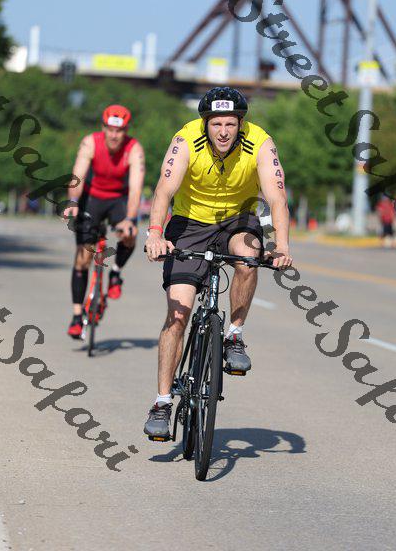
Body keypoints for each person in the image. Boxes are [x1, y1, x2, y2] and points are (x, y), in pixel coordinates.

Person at [144, 86, 292, 439]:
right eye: (216, 124)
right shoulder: (185, 140)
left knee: (249, 257)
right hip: (190, 223)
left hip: (237, 220)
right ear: (205, 124)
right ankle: (162, 403)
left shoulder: (260, 142)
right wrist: (155, 233)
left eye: (230, 124)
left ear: (240, 124)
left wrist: (282, 245)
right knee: (178, 315)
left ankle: (234, 335)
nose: (223, 131)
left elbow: (277, 197)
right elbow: (164, 190)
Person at [64, 104, 145, 338]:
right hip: (92, 198)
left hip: (118, 199)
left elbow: (136, 187)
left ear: (126, 131)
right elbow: (78, 175)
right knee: (82, 258)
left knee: (129, 234)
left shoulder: (134, 148)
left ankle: (116, 272)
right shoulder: (90, 142)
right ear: (103, 128)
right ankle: (77, 316)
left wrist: (130, 219)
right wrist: (73, 201)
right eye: (110, 129)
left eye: (119, 131)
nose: (114, 135)